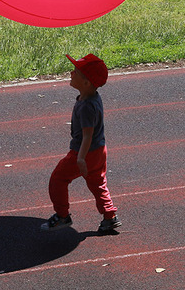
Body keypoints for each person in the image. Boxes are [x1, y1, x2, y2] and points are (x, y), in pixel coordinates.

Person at [41, 53, 121, 234]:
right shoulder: (92, 98)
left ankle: (62, 216)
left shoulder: (86, 107)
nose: (71, 73)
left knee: (58, 179)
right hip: (100, 150)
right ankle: (110, 216)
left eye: (76, 72)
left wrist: (81, 158)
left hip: (84, 152)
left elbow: (87, 135)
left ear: (86, 83)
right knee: (97, 182)